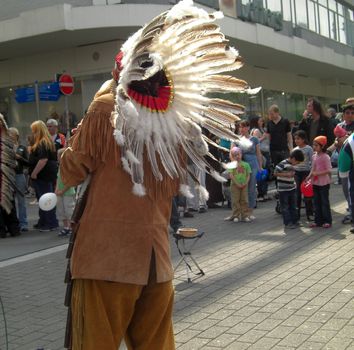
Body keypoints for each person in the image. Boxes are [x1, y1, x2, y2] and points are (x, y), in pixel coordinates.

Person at [29, 120, 59, 231]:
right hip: (45, 175)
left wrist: (34, 173)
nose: (33, 133)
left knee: (46, 199)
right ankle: (43, 221)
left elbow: (43, 160)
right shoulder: (46, 141)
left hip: (43, 175)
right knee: (43, 198)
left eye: (34, 131)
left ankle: (50, 223)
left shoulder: (43, 142)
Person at [0, 114, 21, 238]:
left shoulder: (7, 138)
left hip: (6, 173)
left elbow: (13, 156)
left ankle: (13, 228)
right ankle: (2, 229)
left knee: (8, 200)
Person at [237, 120, 263, 220]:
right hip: (241, 165)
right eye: (240, 127)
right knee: (242, 188)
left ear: (248, 128)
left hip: (253, 164)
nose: (241, 129)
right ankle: (242, 211)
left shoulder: (254, 139)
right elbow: (233, 152)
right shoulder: (237, 140)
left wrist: (260, 167)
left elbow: (258, 153)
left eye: (243, 127)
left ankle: (250, 210)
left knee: (251, 187)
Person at [274, 149, 304, 229]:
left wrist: (292, 174)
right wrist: (285, 174)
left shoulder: (292, 165)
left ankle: (295, 221)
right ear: (293, 158)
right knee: (285, 207)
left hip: (292, 188)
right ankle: (287, 223)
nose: (297, 164)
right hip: (283, 190)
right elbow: (275, 173)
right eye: (297, 162)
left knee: (294, 206)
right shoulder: (282, 163)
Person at [307, 136, 332, 229]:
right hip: (315, 183)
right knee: (316, 202)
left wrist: (318, 173)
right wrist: (309, 176)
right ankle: (318, 221)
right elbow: (312, 169)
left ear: (322, 146)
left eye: (316, 145)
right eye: (313, 145)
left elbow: (329, 170)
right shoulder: (314, 156)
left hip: (324, 183)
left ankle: (327, 221)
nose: (314, 147)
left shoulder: (326, 157)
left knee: (324, 202)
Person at [8, 127, 29, 232]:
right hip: (9, 175)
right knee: (10, 200)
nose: (9, 136)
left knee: (21, 200)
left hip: (19, 175)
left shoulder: (22, 148)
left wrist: (19, 158)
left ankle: (23, 223)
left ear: (16, 135)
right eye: (8, 134)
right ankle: (13, 224)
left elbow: (28, 163)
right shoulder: (6, 148)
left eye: (11, 134)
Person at [224, 146, 251, 222]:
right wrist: (237, 183)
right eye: (235, 155)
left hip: (244, 185)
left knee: (244, 200)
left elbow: (248, 175)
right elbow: (231, 175)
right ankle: (235, 215)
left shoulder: (246, 164)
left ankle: (245, 215)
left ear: (241, 154)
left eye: (238, 154)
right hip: (235, 185)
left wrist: (245, 183)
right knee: (235, 200)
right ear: (232, 157)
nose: (237, 156)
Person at [293, 130, 313, 221]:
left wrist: (311, 174)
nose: (296, 140)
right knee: (297, 193)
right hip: (297, 173)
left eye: (298, 139)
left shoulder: (309, 148)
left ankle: (310, 213)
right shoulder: (295, 150)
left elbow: (312, 161)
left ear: (304, 139)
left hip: (306, 173)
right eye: (295, 139)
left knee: (307, 194)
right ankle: (296, 214)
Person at [55, 148, 75, 237]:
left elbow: (70, 181)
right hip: (59, 192)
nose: (57, 158)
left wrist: (63, 191)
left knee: (69, 211)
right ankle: (66, 227)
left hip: (67, 193)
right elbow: (58, 179)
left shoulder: (69, 168)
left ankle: (71, 227)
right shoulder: (60, 167)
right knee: (61, 211)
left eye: (59, 156)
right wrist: (56, 189)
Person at [250, 116, 270, 201]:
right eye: (260, 121)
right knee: (261, 172)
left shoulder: (263, 129)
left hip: (266, 151)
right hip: (261, 152)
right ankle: (261, 193)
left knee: (265, 172)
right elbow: (255, 142)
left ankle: (264, 192)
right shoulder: (256, 130)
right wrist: (263, 137)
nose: (262, 122)